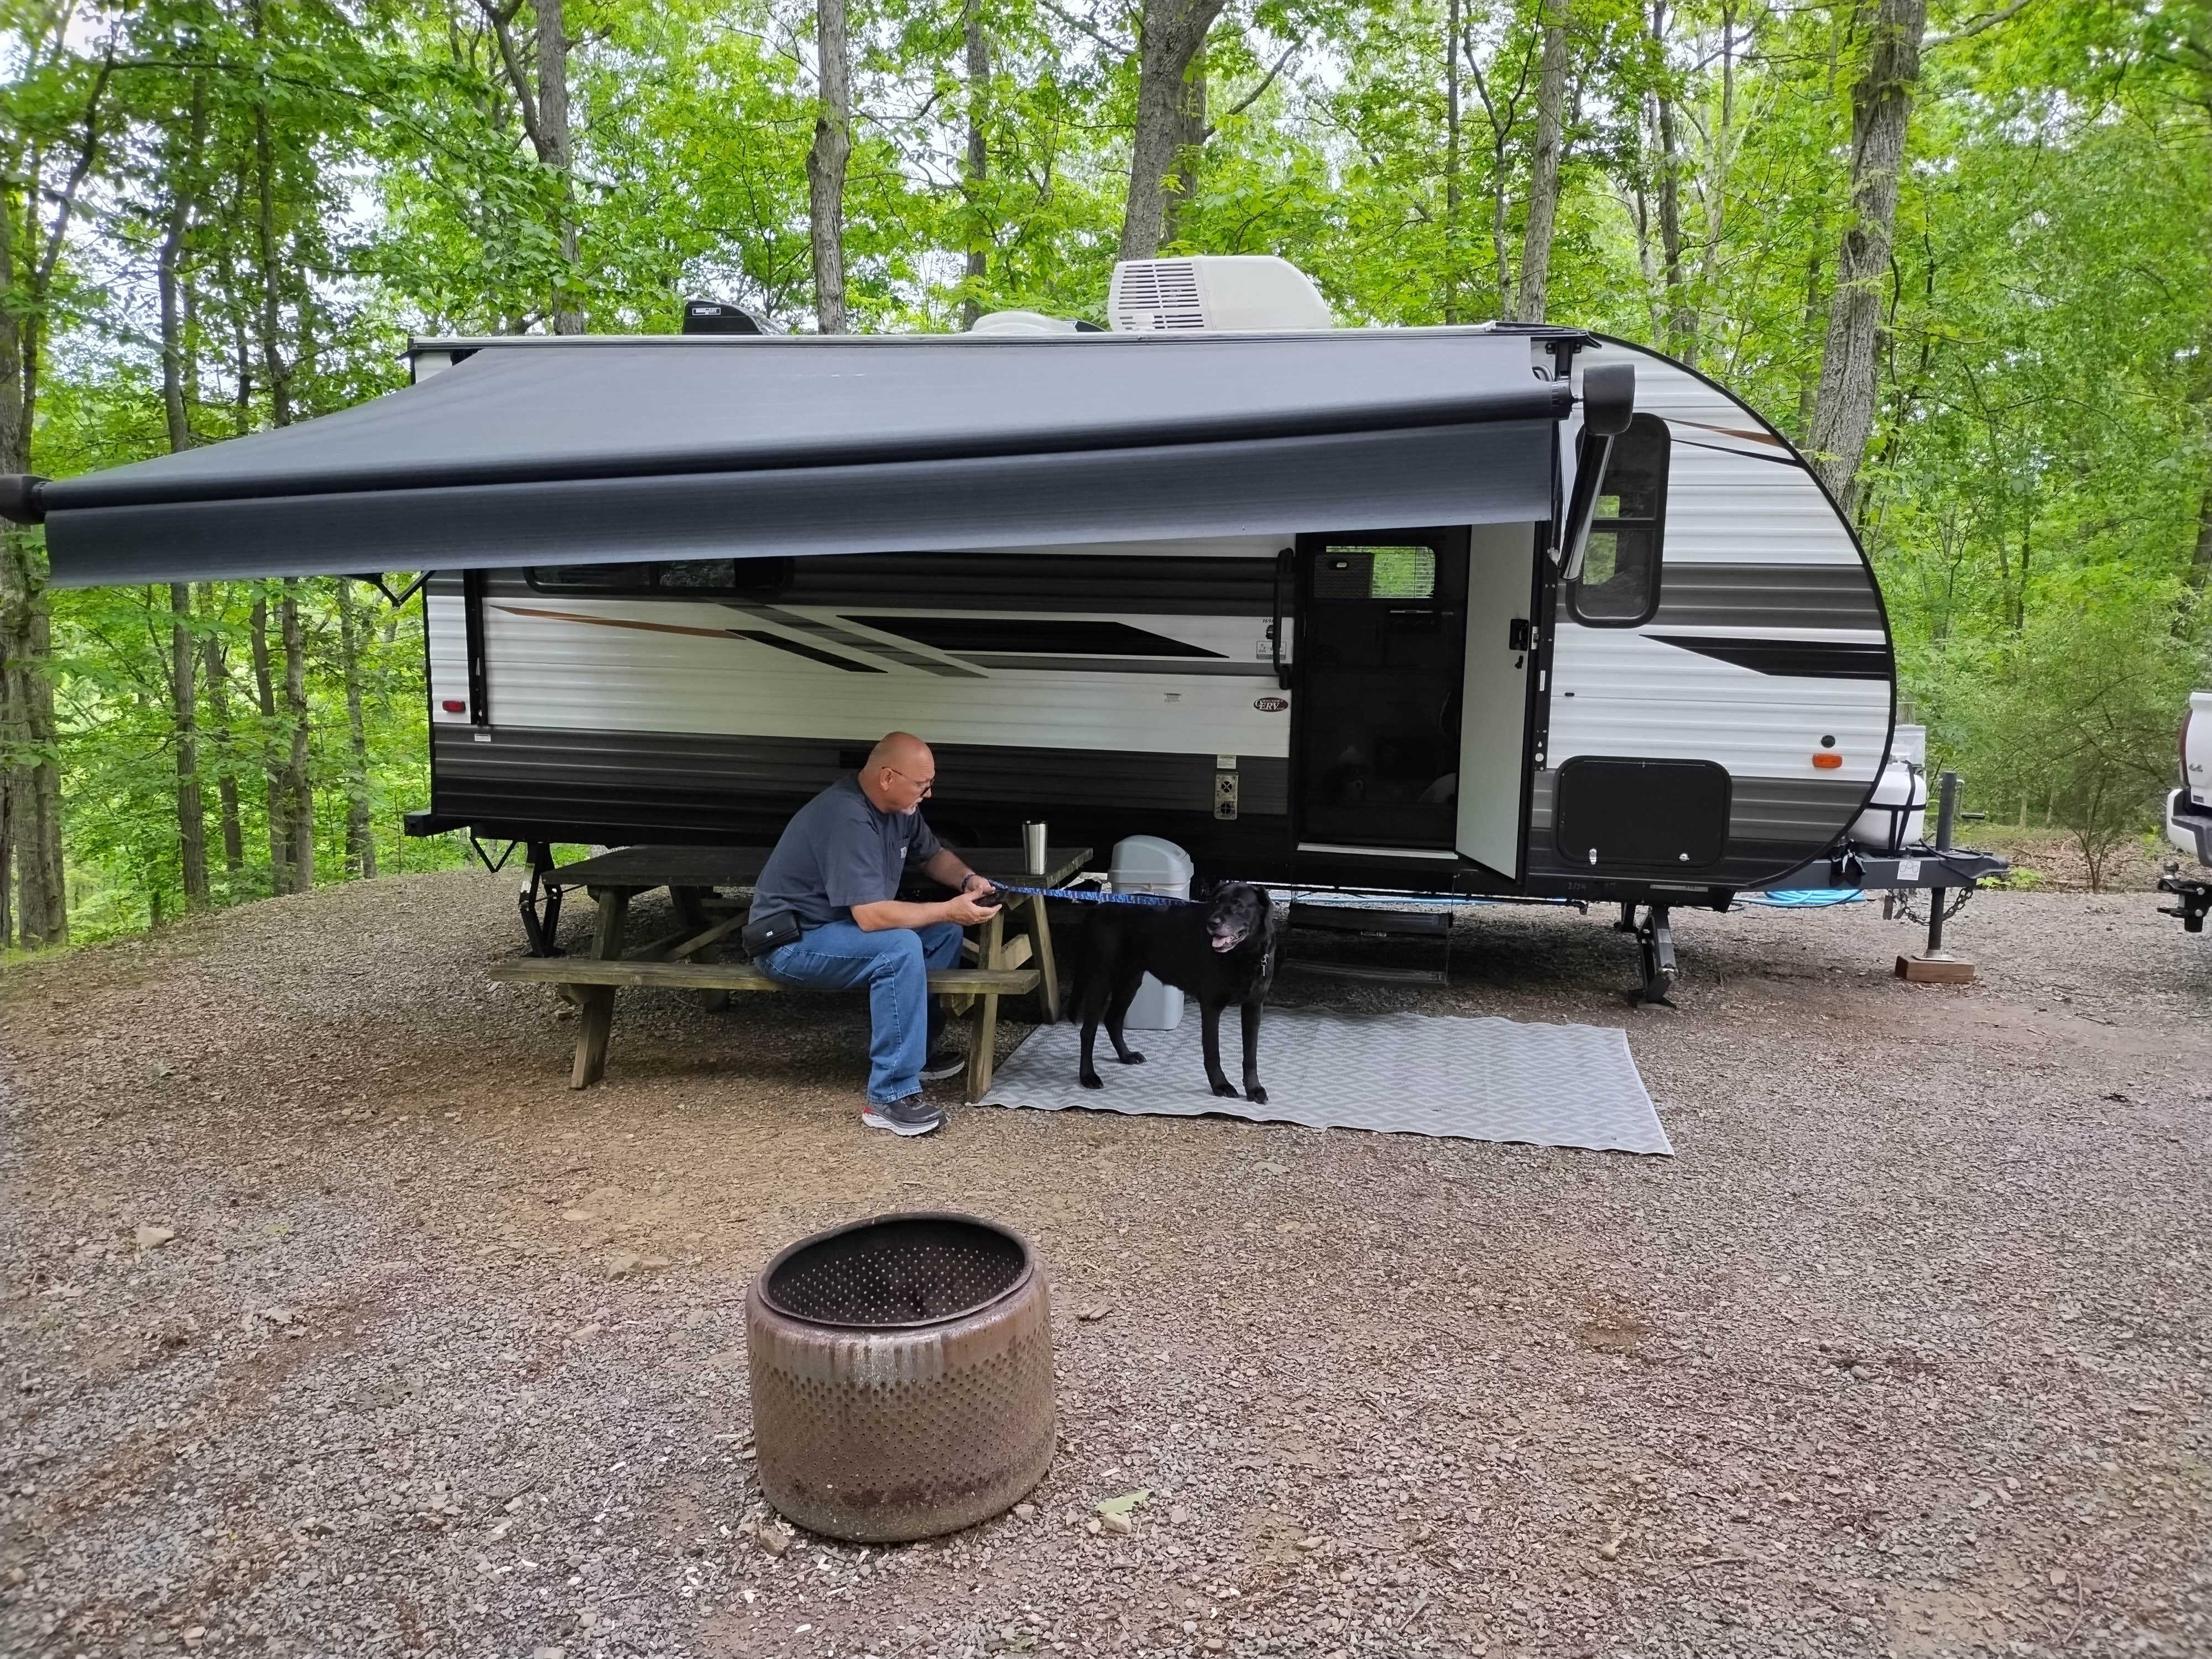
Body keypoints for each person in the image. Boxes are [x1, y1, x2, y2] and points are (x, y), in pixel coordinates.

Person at [748, 732, 1002, 1136]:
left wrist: (968, 880)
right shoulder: (846, 815)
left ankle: (916, 1054)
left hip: (835, 930)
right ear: (887, 777)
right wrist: (950, 907)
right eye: (922, 784)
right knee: (899, 947)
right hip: (792, 943)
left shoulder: (899, 807)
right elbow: (870, 917)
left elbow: (933, 855)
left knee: (943, 933)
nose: (929, 793)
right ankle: (889, 1096)